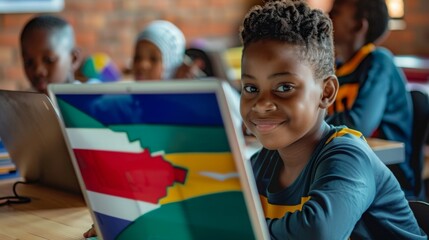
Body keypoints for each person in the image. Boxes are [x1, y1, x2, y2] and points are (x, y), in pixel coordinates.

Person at [239, 0, 426, 239]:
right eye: (251, 88)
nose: (262, 103)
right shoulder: (260, 164)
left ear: (326, 92)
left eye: (284, 87)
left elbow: (318, 232)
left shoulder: (347, 156)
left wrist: (239, 228)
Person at [326, 0, 416, 199]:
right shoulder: (337, 68)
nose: (327, 16)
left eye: (336, 12)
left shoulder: (379, 62)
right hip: (349, 170)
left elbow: (359, 125)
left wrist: (305, 124)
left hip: (388, 180)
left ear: (358, 26)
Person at [20, 15, 81, 95]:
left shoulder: (92, 103)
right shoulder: (20, 103)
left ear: (73, 59)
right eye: (29, 62)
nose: (38, 70)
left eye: (49, 60)